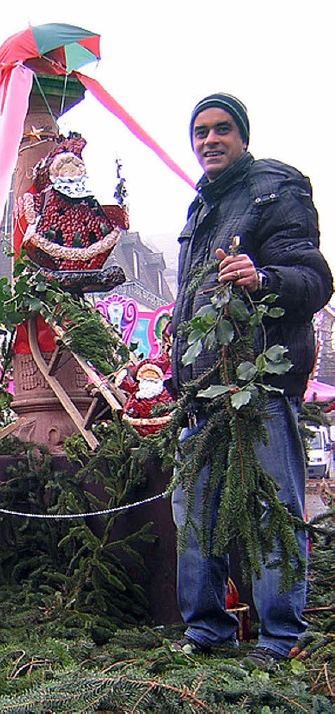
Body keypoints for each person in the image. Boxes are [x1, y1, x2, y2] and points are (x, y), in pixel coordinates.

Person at [169, 94, 333, 665]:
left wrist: (261, 278)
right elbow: (189, 307)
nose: (209, 141)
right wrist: (176, 379)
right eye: (200, 133)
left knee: (272, 513)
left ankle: (279, 636)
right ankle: (206, 629)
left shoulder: (273, 192)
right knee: (196, 515)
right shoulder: (200, 210)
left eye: (221, 130)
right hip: (203, 395)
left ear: (242, 136)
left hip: (257, 388)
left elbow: (313, 281)